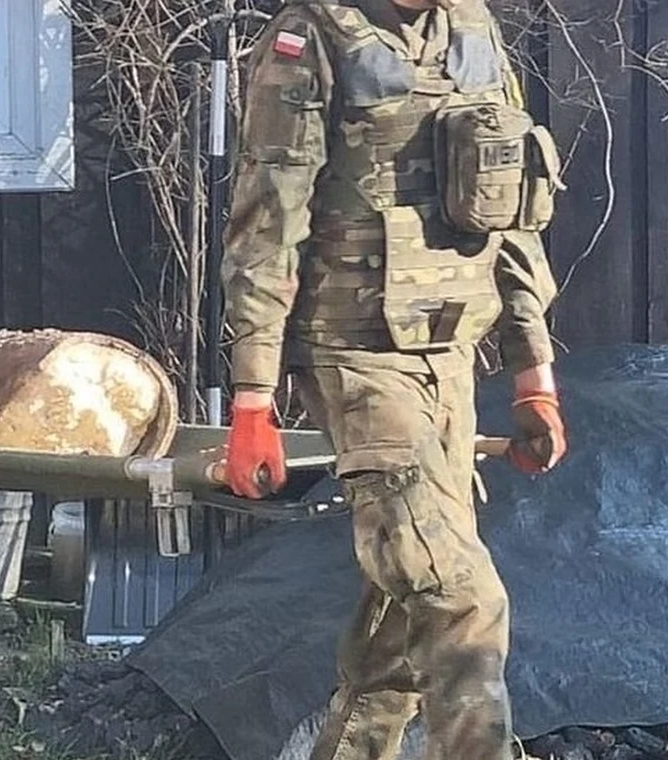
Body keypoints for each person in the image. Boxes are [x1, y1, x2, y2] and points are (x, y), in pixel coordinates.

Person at [220, 1, 568, 759]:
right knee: (458, 600)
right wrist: (253, 401)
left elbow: (513, 213)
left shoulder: (471, 28)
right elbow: (268, 221)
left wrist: (532, 375)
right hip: (356, 360)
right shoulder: (312, 36)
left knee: (404, 615)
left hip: (450, 356)